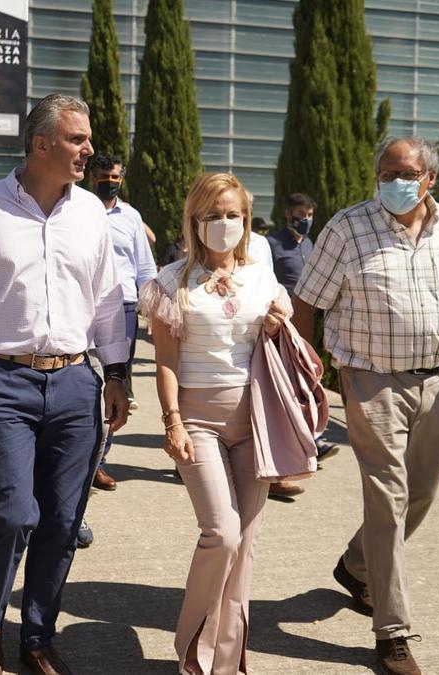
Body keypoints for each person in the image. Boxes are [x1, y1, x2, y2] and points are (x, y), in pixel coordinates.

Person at [293, 136, 439, 675]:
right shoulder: (347, 228)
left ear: (430, 179)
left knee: (422, 492)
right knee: (388, 498)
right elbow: (306, 304)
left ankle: (356, 566)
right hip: (370, 381)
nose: (396, 182)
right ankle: (392, 632)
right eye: (387, 172)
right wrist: (304, 374)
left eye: (407, 173)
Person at [0, 93, 129, 675]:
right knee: (14, 514)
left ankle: (38, 636)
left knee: (64, 523)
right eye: (77, 139)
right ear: (41, 144)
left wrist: (116, 374)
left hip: (74, 384)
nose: (88, 149)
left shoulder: (92, 212)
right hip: (2, 381)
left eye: (87, 139)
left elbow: (108, 300)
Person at [139, 172, 290, 675]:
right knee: (221, 533)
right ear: (194, 220)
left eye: (233, 215)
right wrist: (172, 422)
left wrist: (274, 324)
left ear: (246, 221)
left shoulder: (263, 278)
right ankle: (192, 655)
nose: (224, 224)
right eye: (213, 215)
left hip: (256, 421)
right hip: (198, 419)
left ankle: (226, 664)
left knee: (245, 545)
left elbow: (278, 344)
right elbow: (164, 360)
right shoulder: (170, 282)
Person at [87, 153, 156, 492]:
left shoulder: (131, 217)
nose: (109, 181)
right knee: (83, 381)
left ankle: (100, 460)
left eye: (114, 176)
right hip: (83, 304)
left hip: (124, 307)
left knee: (116, 385)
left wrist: (156, 309)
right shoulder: (75, 209)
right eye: (103, 175)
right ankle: (76, 458)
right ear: (91, 176)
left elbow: (145, 268)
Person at [264, 192, 319, 499]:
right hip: (279, 328)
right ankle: (276, 473)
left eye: (309, 213)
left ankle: (304, 448)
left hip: (303, 329)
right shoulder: (272, 245)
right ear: (288, 214)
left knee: (300, 392)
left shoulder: (309, 245)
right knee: (281, 397)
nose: (306, 219)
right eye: (300, 213)